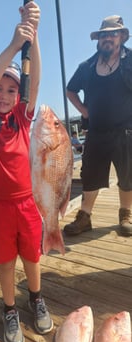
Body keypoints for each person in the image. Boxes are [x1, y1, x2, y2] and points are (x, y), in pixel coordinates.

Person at [0, 2, 53, 342]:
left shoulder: (24, 118)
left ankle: (36, 299)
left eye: (11, 89)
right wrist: (12, 44)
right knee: (5, 263)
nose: (4, 95)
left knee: (32, 258)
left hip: (27, 203)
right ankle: (10, 309)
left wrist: (32, 35)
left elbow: (34, 80)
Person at [64, 15, 132, 237]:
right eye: (103, 35)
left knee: (127, 174)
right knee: (90, 175)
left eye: (113, 34)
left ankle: (126, 214)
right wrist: (84, 111)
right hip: (95, 132)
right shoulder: (87, 66)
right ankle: (84, 217)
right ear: (98, 39)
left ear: (121, 36)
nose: (108, 38)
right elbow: (70, 90)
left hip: (126, 130)